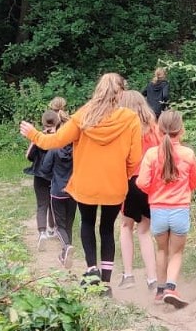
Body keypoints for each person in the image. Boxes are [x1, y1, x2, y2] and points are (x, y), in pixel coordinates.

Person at [20, 73, 142, 295]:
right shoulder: (130, 119)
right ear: (121, 92)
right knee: (106, 229)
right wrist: (120, 174)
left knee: (87, 223)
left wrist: (33, 134)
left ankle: (91, 270)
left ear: (98, 90)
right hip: (114, 185)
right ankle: (106, 285)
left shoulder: (82, 116)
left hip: (86, 184)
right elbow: (135, 159)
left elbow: (54, 141)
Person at [136, 109, 196, 309]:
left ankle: (160, 291)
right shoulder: (188, 154)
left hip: (158, 211)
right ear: (181, 130)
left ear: (159, 129)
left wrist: (154, 191)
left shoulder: (151, 154)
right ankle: (171, 288)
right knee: (177, 252)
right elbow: (194, 182)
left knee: (162, 249)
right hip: (180, 209)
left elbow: (141, 182)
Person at [117, 90, 160, 291]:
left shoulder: (124, 128)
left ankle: (128, 275)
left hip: (131, 181)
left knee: (126, 227)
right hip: (151, 184)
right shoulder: (155, 128)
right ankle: (152, 279)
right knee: (144, 230)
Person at [39, 127, 76, 270]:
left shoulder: (54, 150)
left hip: (57, 193)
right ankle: (65, 254)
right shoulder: (76, 151)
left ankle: (66, 247)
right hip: (73, 193)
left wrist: (53, 178)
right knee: (69, 225)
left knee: (58, 226)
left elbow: (44, 169)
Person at [23, 110, 59, 248]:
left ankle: (42, 232)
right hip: (55, 176)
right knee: (53, 203)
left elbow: (29, 156)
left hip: (39, 175)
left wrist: (33, 141)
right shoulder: (60, 137)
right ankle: (52, 229)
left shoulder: (39, 137)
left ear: (43, 122)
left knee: (41, 204)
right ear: (57, 122)